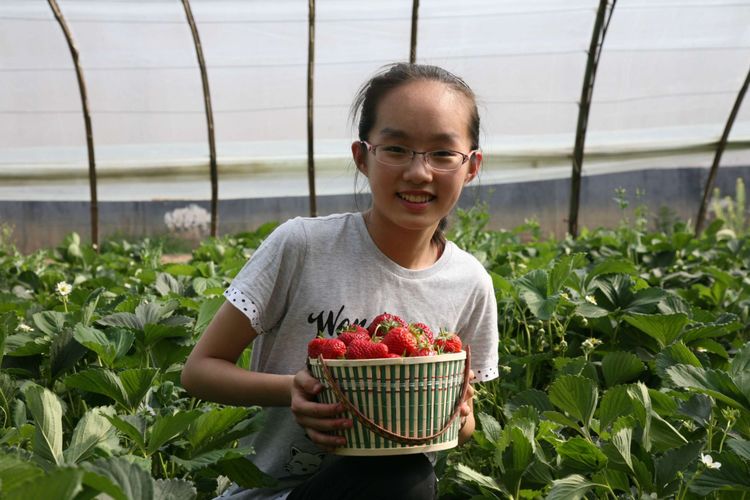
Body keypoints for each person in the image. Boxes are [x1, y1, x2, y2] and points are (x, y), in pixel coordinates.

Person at [181, 62, 500, 500]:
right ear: (362, 157)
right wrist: (293, 389)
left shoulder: (469, 283)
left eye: (443, 154)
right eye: (396, 149)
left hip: (395, 489)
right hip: (272, 495)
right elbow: (198, 372)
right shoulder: (304, 246)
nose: (419, 172)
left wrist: (455, 410)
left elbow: (463, 429)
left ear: (471, 166)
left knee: (405, 474)